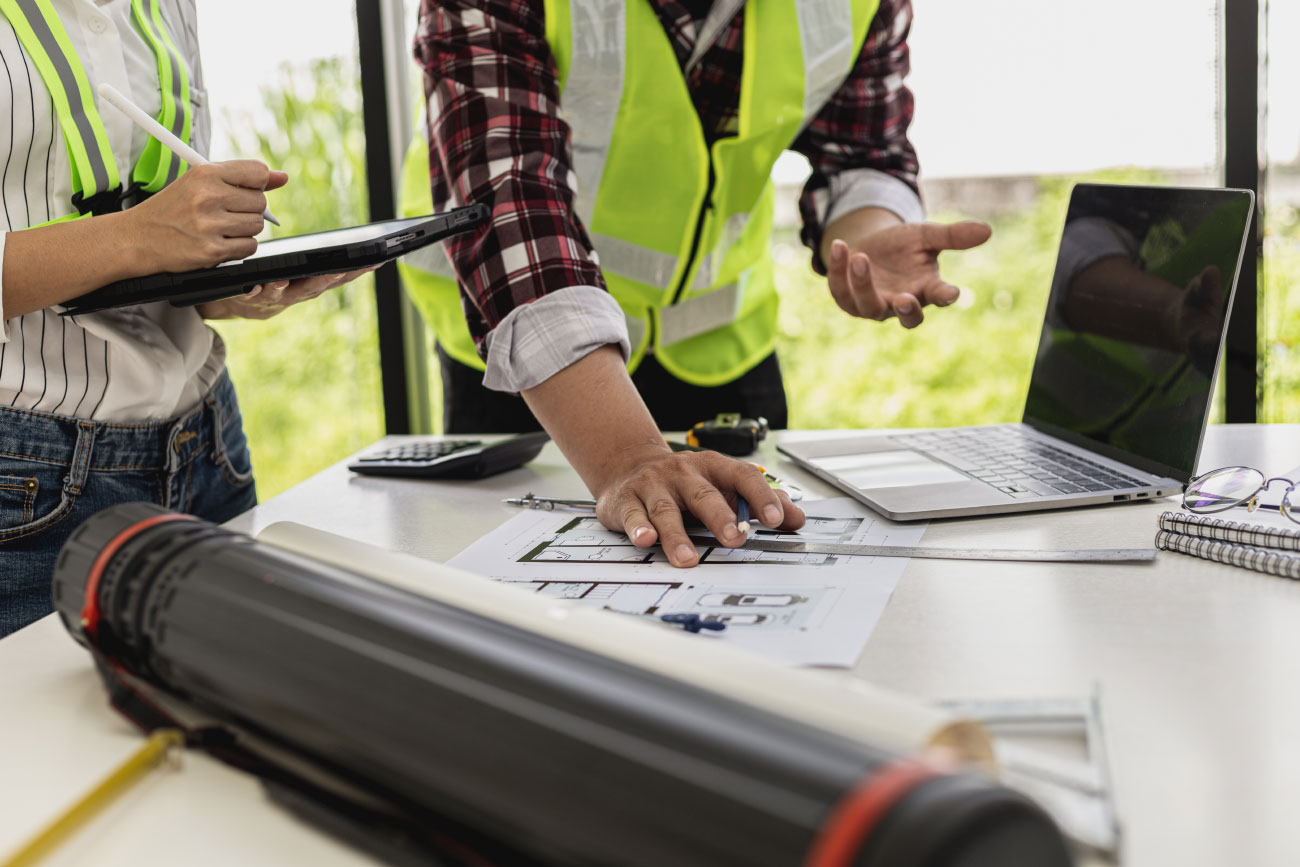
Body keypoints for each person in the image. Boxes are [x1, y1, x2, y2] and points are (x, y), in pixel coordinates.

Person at [407, 0, 991, 567]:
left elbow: (861, 149)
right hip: (540, 362)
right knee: (523, 606)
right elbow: (511, 202)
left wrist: (867, 234)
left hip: (717, 341)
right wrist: (626, 458)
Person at [0, 0, 366, 637]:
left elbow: (155, 256)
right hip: (24, 485)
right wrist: (135, 237)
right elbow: (139, 237)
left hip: (208, 445)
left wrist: (223, 289)